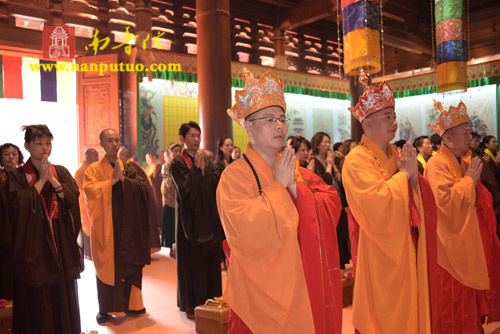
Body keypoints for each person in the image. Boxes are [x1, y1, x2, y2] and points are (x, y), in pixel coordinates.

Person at [217, 69, 343, 333]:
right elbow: (245, 231)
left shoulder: (294, 170)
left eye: (282, 119)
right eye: (270, 119)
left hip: (302, 282)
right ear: (248, 127)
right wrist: (278, 188)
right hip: (257, 294)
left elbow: (331, 201)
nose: (279, 125)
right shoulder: (234, 176)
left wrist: (297, 192)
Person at [342, 74, 440, 333]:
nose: (394, 123)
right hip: (379, 250)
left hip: (405, 244)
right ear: (368, 122)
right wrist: (405, 176)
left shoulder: (395, 155)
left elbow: (418, 200)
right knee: (383, 317)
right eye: (388, 117)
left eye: (394, 116)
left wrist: (414, 181)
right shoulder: (356, 160)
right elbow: (376, 205)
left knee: (409, 308)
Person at [426, 101, 500, 329]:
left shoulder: (459, 162)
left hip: (463, 244)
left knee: (466, 305)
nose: (471, 138)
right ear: (448, 138)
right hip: (447, 251)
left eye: (469, 132)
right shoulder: (437, 164)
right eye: (465, 133)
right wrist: (469, 181)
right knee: (451, 305)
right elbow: (444, 203)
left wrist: (471, 183)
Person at [3, 124, 83, 333]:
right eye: (39, 144)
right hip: (33, 247)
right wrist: (40, 183)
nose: (44, 148)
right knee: (37, 300)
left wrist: (54, 182)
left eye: (48, 143)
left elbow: (73, 199)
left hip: (60, 243)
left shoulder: (61, 171)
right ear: (27, 146)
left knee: (63, 295)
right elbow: (17, 209)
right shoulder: (17, 177)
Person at [84, 129, 151, 324]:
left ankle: (134, 304)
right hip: (108, 226)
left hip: (129, 225)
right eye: (109, 141)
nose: (114, 144)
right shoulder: (94, 170)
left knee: (130, 263)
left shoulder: (130, 168)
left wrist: (126, 182)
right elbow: (90, 193)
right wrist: (111, 182)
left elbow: (145, 189)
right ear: (102, 144)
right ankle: (106, 308)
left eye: (117, 140)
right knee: (109, 265)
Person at [170, 121, 225, 319]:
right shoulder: (177, 163)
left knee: (209, 262)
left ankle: (212, 299)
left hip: (207, 218)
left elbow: (215, 184)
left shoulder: (207, 160)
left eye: (198, 136)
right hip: (189, 220)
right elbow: (186, 193)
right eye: (192, 136)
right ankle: (192, 303)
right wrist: (196, 171)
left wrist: (203, 171)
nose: (196, 139)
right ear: (182, 139)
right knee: (192, 264)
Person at [119, 147, 161, 254]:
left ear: (124, 156)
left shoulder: (130, 166)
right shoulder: (134, 166)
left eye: (119, 156)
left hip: (139, 201)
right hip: (143, 199)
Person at [74, 148, 99, 259]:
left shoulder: (90, 168)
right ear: (88, 156)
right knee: (86, 226)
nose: (97, 159)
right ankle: (88, 252)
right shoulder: (81, 170)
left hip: (91, 200)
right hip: (83, 201)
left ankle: (91, 252)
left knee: (92, 226)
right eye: (95, 156)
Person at [161, 143, 181, 254]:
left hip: (181, 200)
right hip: (170, 200)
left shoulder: (184, 165)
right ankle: (170, 248)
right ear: (170, 153)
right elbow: (169, 183)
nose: (177, 153)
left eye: (179, 151)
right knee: (170, 225)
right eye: (175, 151)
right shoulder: (166, 166)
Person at [145, 151, 163, 252]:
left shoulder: (158, 167)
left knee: (158, 210)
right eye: (146, 159)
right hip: (152, 193)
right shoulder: (148, 168)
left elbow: (156, 179)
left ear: (154, 157)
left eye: (149, 158)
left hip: (157, 193)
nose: (148, 161)